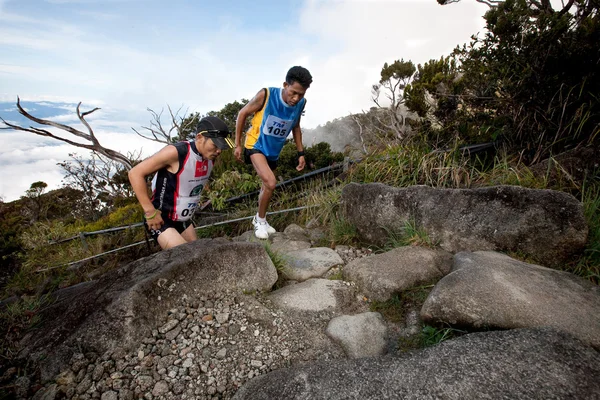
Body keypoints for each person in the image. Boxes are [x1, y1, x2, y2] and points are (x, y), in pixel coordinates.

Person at [129, 116, 234, 249]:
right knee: (186, 257)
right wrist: (150, 212)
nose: (219, 151)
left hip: (183, 218)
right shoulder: (176, 152)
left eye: (221, 146)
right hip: (161, 217)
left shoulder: (209, 156)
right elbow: (135, 173)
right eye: (215, 145)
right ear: (199, 138)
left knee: (199, 255)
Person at [234, 66, 313, 239]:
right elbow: (242, 113)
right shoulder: (266, 95)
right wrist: (237, 145)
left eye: (301, 94)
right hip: (255, 144)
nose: (296, 98)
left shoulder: (300, 103)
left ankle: (260, 218)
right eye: (293, 92)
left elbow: (296, 126)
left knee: (266, 187)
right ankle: (260, 220)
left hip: (273, 150)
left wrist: (301, 153)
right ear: (285, 85)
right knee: (271, 182)